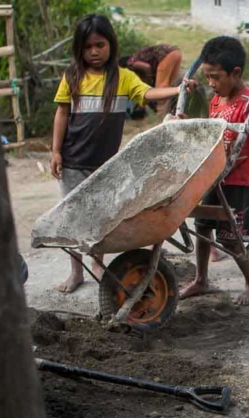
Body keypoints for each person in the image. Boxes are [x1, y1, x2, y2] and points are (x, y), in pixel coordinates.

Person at [51, 14, 183, 294]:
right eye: (87, 47)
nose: (94, 52)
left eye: (100, 45)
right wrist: (55, 152)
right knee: (73, 218)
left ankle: (97, 263)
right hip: (73, 161)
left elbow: (148, 94)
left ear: (110, 44)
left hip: (105, 163)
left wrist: (179, 88)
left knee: (101, 217)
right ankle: (76, 272)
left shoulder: (122, 78)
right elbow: (62, 112)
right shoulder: (72, 76)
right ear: (79, 49)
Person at [177, 36, 249, 305]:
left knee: (231, 237)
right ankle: (201, 280)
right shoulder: (216, 100)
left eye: (215, 77)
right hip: (214, 176)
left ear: (235, 73)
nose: (211, 83)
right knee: (203, 228)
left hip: (237, 180)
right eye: (207, 77)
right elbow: (212, 135)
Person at [121, 44, 183, 113]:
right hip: (176, 53)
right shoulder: (137, 60)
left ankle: (161, 113)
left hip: (166, 56)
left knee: (160, 89)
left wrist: (150, 78)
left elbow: (147, 67)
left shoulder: (130, 63)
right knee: (171, 88)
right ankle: (172, 111)